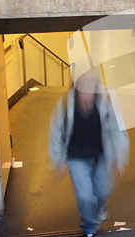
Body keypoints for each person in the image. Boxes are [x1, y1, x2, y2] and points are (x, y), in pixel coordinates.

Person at [49, 70, 129, 237]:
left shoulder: (106, 101)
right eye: (83, 85)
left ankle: (100, 207)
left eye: (91, 84)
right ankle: (90, 226)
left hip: (101, 154)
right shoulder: (65, 103)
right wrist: (59, 160)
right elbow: (56, 132)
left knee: (102, 191)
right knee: (85, 196)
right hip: (76, 157)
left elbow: (117, 130)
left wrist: (119, 159)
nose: (87, 91)